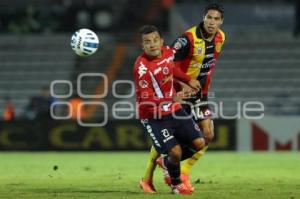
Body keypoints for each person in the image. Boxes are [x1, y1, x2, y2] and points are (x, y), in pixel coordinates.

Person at [140, 3, 225, 193]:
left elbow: (209, 66)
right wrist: (186, 83)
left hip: (200, 93)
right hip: (180, 92)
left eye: (216, 19)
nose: (212, 22)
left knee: (208, 135)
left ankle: (181, 171)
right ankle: (148, 177)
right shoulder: (188, 39)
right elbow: (171, 64)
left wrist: (204, 88)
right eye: (209, 17)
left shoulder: (221, 38)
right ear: (203, 17)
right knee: (171, 140)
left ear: (221, 22)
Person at [134, 25, 205, 195]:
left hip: (174, 109)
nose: (152, 45)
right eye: (147, 42)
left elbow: (172, 69)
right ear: (142, 46)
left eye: (155, 40)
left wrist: (188, 80)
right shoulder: (141, 67)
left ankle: (167, 162)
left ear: (162, 41)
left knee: (200, 143)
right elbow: (146, 99)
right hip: (153, 116)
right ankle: (176, 184)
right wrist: (171, 98)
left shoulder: (168, 52)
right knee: (176, 151)